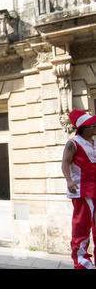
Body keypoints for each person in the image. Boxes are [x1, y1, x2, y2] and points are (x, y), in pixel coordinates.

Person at [61, 109, 96, 269]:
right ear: (83, 127)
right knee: (81, 227)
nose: (94, 127)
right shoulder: (73, 143)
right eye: (91, 125)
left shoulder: (94, 143)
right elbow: (65, 163)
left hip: (94, 189)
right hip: (82, 191)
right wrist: (69, 180)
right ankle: (81, 262)